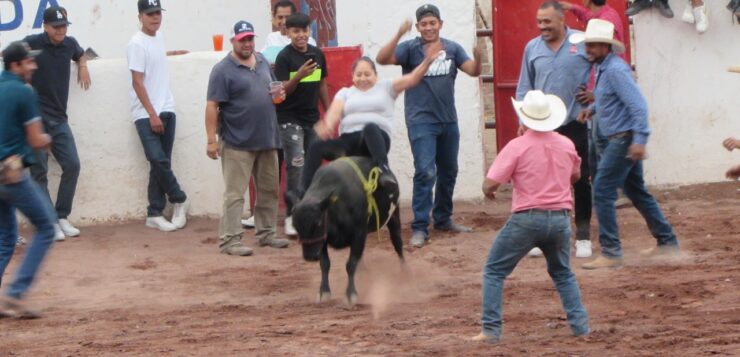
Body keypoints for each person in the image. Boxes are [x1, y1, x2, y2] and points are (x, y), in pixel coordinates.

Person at [472, 90, 589, 344]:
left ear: (524, 118)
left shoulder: (517, 145)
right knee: (563, 273)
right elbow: (575, 176)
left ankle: (491, 330)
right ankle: (580, 326)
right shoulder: (566, 144)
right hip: (559, 218)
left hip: (526, 218)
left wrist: (490, 192)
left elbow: (489, 184)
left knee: (494, 271)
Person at [573, 19, 680, 270]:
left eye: (593, 45)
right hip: (623, 138)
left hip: (622, 139)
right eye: (587, 44)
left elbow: (638, 106)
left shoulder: (613, 71)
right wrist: (593, 108)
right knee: (635, 191)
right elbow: (614, 100)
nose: (588, 49)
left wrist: (640, 139)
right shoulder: (606, 68)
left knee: (602, 190)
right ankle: (667, 241)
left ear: (605, 46)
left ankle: (611, 252)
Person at [376, 4, 482, 248]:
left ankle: (443, 219)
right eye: (424, 24)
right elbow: (382, 58)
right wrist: (399, 34)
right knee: (425, 172)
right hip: (421, 121)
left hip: (448, 121)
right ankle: (420, 227)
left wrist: (478, 58)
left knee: (449, 170)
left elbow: (473, 72)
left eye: (432, 23)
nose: (428, 27)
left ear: (440, 24)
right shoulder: (410, 49)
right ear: (418, 27)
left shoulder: (452, 48)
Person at [302, 44, 442, 195]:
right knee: (316, 147)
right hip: (349, 142)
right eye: (359, 75)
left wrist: (427, 61)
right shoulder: (345, 93)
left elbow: (412, 79)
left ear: (376, 75)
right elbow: (335, 110)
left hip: (375, 139)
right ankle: (303, 192)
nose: (363, 78)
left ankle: (384, 170)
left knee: (370, 127)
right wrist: (328, 124)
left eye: (367, 74)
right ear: (353, 76)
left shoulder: (386, 87)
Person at [516, 1, 593, 258]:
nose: (542, 27)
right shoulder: (532, 48)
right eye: (539, 22)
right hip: (542, 126)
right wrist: (523, 118)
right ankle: (540, 238)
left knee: (581, 179)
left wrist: (594, 95)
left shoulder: (582, 43)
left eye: (547, 22)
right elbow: (524, 85)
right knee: (541, 180)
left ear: (562, 20)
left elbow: (603, 70)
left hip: (576, 122)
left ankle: (582, 235)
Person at [206, 21, 290, 256]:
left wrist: (279, 93)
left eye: (250, 38)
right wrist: (211, 140)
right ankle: (230, 240)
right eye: (242, 39)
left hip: (267, 137)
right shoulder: (222, 70)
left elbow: (273, 88)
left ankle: (267, 233)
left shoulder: (262, 61)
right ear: (233, 41)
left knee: (269, 189)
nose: (247, 43)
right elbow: (212, 106)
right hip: (237, 141)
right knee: (235, 194)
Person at [240, 0, 318, 230]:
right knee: (271, 163)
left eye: (288, 18)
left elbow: (312, 79)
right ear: (274, 20)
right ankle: (263, 213)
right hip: (275, 111)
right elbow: (266, 74)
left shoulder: (310, 44)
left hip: (300, 114)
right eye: (280, 18)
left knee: (298, 164)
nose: (284, 23)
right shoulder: (270, 42)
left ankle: (295, 213)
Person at [23, 6, 91, 242]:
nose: (61, 30)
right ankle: (49, 222)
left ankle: (61, 216)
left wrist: (82, 65)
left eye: (64, 26)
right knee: (39, 172)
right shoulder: (32, 42)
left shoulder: (70, 44)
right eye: (56, 26)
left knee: (72, 164)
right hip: (35, 120)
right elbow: (9, 56)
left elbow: (80, 53)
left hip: (59, 119)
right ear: (45, 26)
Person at [0, 41, 56, 319]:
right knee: (46, 227)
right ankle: (16, 293)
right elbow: (36, 139)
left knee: (6, 238)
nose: (33, 65)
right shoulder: (24, 92)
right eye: (28, 62)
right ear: (16, 65)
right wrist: (46, 139)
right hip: (11, 172)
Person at [127, 0, 189, 232]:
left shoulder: (158, 37)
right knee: (156, 158)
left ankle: (154, 211)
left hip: (167, 107)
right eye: (150, 14)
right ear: (140, 16)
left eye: (157, 13)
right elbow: (137, 81)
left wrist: (171, 53)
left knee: (161, 162)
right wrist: (152, 114)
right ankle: (179, 198)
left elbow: (154, 58)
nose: (155, 17)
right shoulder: (135, 43)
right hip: (146, 113)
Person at [274, 12, 330, 236]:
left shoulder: (317, 53)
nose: (301, 35)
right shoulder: (284, 57)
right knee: (296, 166)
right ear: (288, 33)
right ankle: (291, 214)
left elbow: (323, 84)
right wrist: (298, 76)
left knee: (314, 167)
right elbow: (280, 91)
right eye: (296, 31)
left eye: (305, 30)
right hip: (289, 119)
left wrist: (328, 113)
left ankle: (311, 212)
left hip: (312, 118)